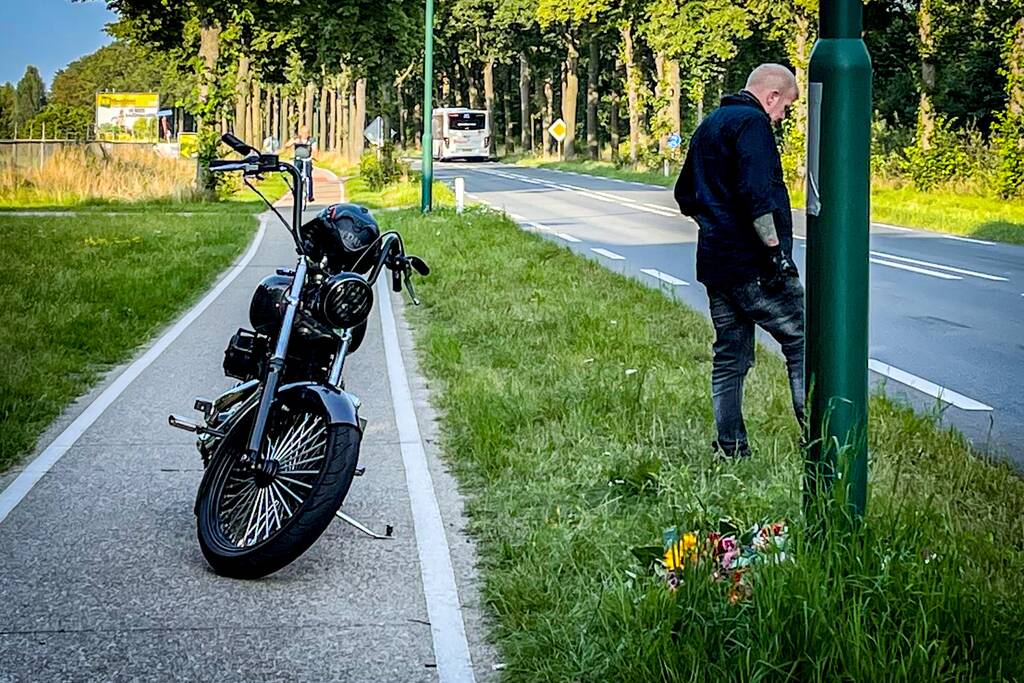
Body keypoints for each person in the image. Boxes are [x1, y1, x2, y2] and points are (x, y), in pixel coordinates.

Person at [673, 63, 804, 459]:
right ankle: (821, 445)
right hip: (754, 266)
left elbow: (684, 195)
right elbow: (756, 196)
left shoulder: (711, 123)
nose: (781, 118)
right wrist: (775, 254)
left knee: (730, 358)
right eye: (785, 108)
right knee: (804, 343)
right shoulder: (753, 125)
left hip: (716, 265)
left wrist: (717, 226)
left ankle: (730, 448)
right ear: (772, 96)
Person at [285, 125, 316, 202]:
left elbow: (315, 149)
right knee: (296, 175)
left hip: (307, 160)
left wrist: (312, 156)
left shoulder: (311, 140)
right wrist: (293, 142)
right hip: (298, 159)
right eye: (303, 133)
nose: (305, 134)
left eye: (307, 133)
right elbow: (287, 145)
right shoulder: (296, 139)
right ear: (300, 133)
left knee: (308, 176)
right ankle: (296, 192)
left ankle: (310, 195)